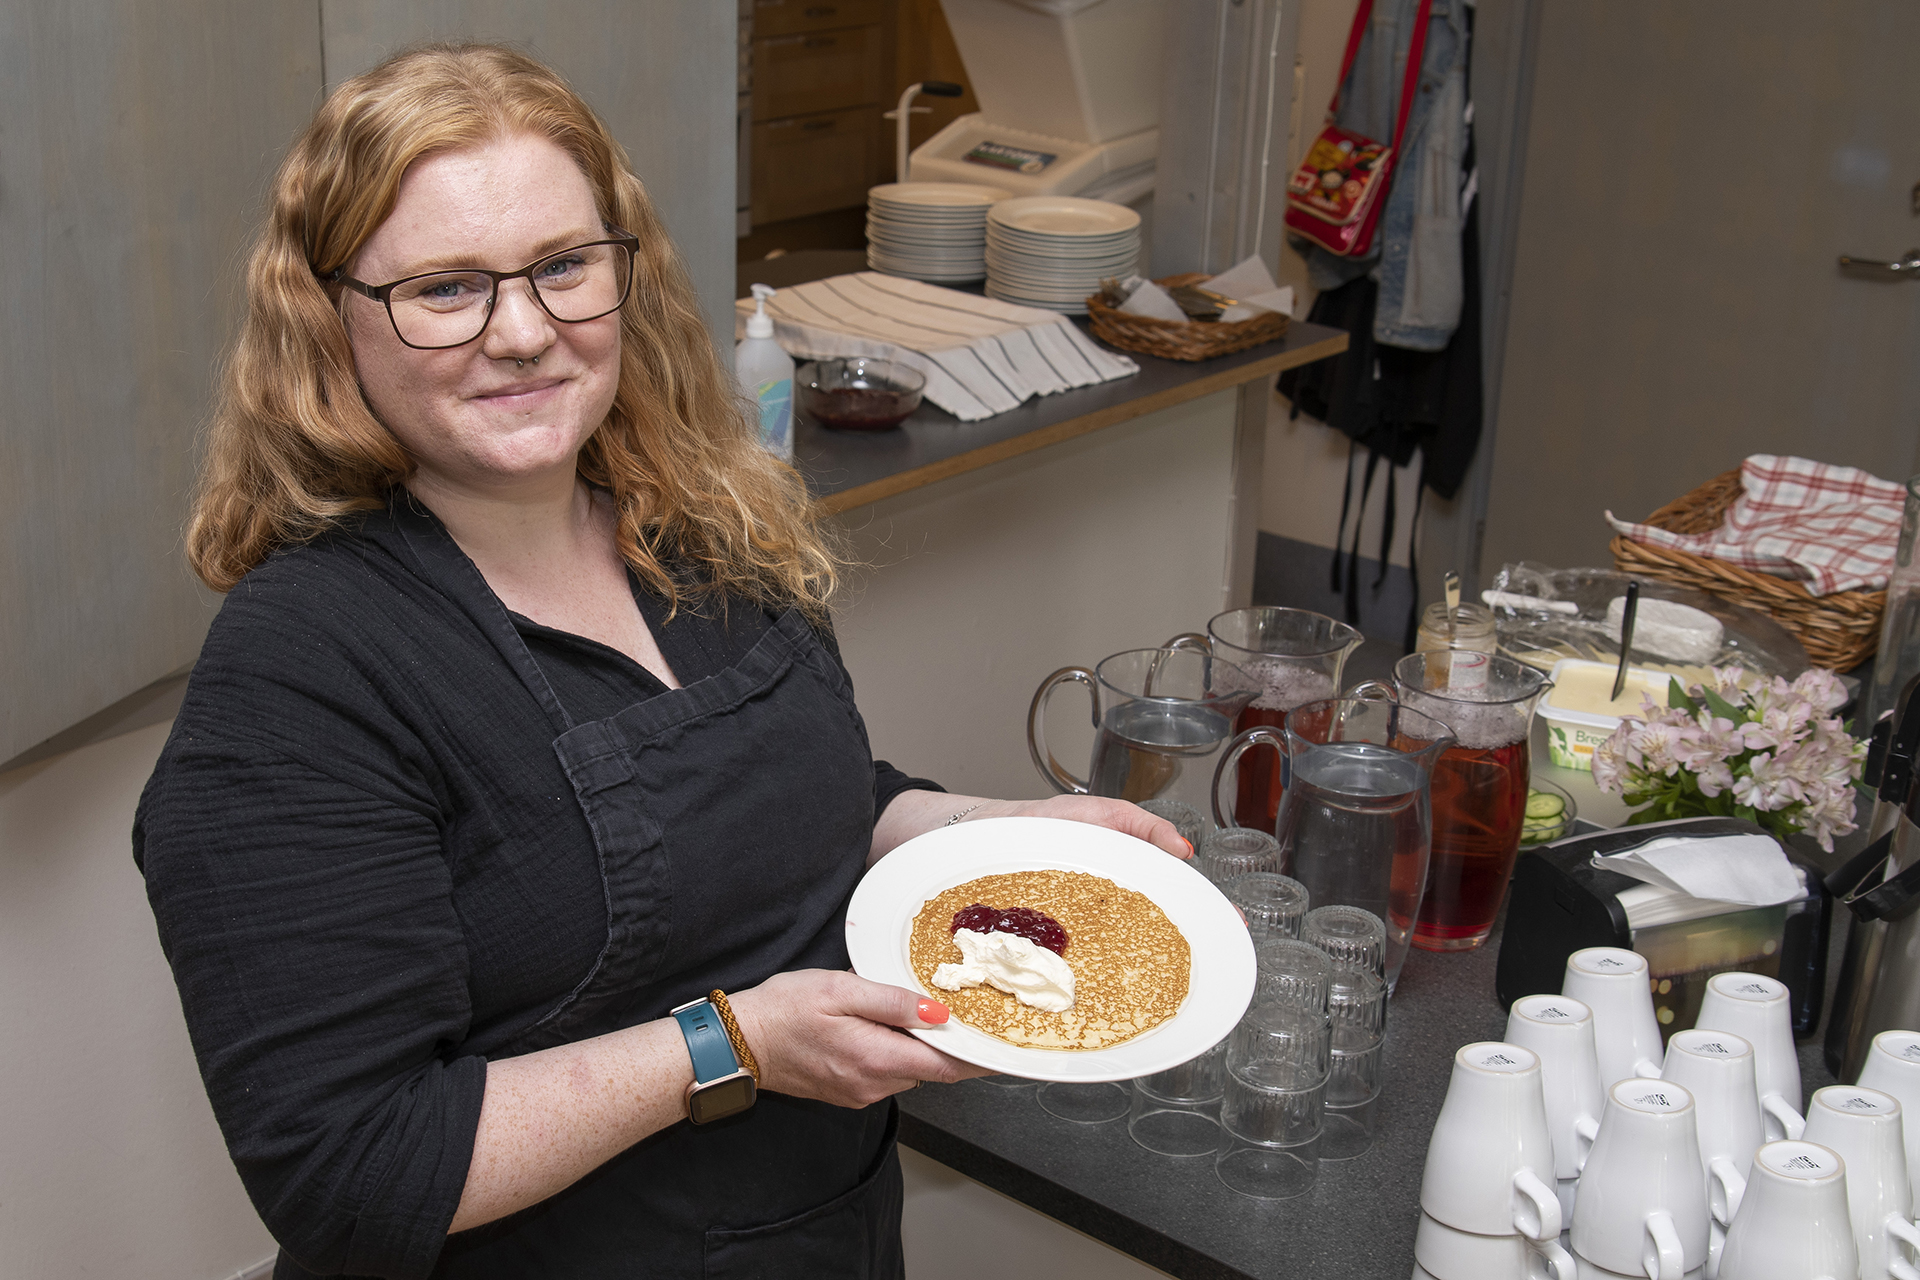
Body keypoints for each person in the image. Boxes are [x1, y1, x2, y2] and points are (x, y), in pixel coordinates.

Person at [132, 43, 1186, 1280]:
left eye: (564, 267)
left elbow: (808, 797)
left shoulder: (702, 524)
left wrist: (1006, 836)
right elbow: (351, 1168)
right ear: (332, 318)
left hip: (825, 1232)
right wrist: (729, 1042)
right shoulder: (300, 677)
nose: (523, 331)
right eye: (444, 288)